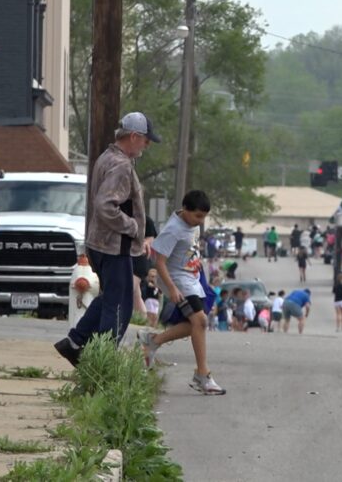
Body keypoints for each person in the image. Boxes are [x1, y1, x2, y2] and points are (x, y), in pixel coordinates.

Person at [55, 112, 156, 366]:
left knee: (109, 296)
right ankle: (104, 358)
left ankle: (74, 342)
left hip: (100, 242)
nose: (147, 144)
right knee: (119, 305)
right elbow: (105, 205)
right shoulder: (121, 165)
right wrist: (133, 227)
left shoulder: (106, 157)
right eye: (145, 139)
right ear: (133, 136)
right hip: (115, 245)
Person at [136, 190, 226, 395]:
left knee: (194, 324)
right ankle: (202, 375)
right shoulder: (173, 230)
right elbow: (159, 262)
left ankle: (154, 341)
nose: (200, 221)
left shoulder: (187, 221)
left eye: (203, 217)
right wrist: (172, 288)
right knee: (201, 322)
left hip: (192, 279)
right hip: (178, 280)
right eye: (197, 216)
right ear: (186, 210)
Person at [132, 216, 157, 323]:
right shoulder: (122, 216)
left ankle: (139, 320)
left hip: (139, 259)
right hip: (126, 258)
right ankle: (142, 320)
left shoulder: (146, 219)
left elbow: (151, 238)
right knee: (136, 294)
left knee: (130, 288)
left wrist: (144, 243)